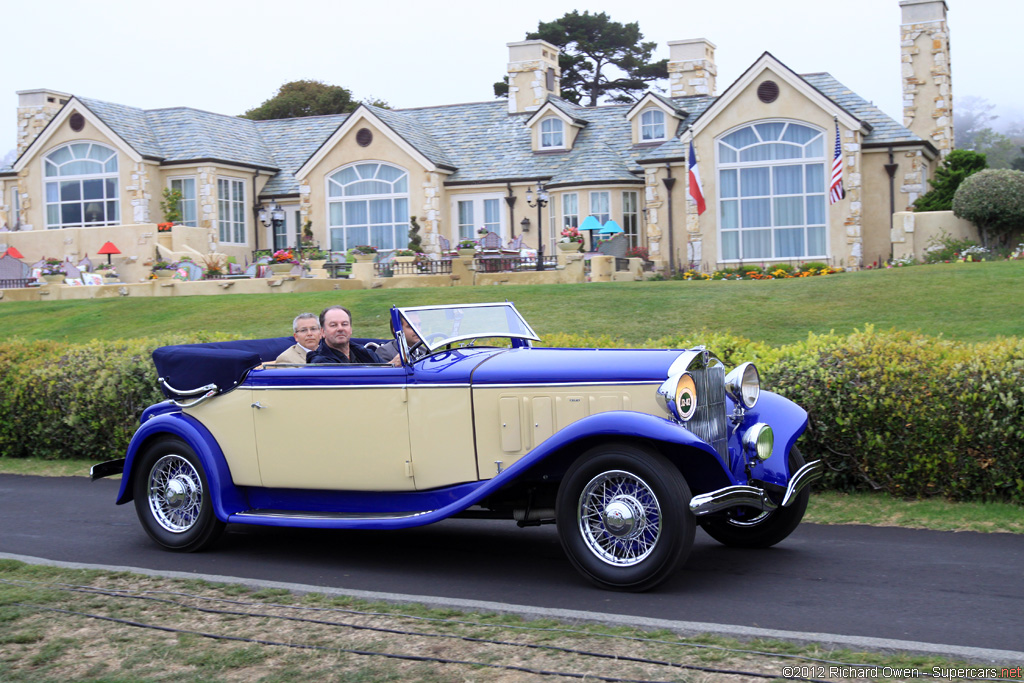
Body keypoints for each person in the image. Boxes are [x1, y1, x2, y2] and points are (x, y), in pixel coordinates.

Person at [307, 305, 383, 364]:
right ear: (322, 332)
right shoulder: (319, 362)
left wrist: (392, 365)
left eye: (344, 324)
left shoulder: (365, 353)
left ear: (350, 329)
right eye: (333, 325)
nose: (340, 328)